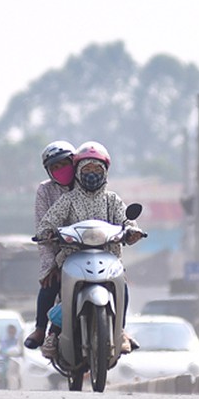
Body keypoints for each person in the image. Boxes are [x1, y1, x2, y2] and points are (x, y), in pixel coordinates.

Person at [36, 141, 143, 358]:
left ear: (105, 172)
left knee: (122, 285)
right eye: (87, 170)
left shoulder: (112, 199)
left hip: (109, 256)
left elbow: (126, 220)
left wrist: (132, 230)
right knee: (63, 292)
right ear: (79, 172)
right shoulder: (68, 199)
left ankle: (120, 331)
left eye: (97, 170)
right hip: (72, 256)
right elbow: (48, 221)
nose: (92, 174)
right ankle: (52, 332)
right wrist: (47, 232)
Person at [24, 141, 76, 349]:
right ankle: (40, 329)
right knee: (49, 284)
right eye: (54, 167)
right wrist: (49, 265)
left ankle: (120, 329)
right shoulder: (45, 191)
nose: (60, 170)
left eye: (64, 164)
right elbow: (41, 230)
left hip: (93, 250)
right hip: (60, 253)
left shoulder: (89, 184)